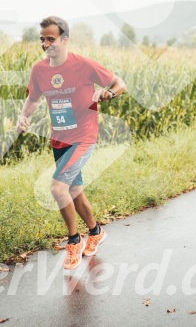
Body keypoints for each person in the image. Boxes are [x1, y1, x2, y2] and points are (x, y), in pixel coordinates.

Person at [16, 16, 126, 270]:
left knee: (57, 188)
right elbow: (33, 100)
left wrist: (107, 93)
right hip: (59, 139)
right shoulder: (39, 70)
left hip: (84, 137)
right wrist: (23, 117)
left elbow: (119, 83)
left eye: (50, 39)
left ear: (64, 39)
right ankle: (95, 232)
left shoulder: (84, 65)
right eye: (42, 39)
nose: (45, 44)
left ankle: (73, 241)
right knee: (74, 190)